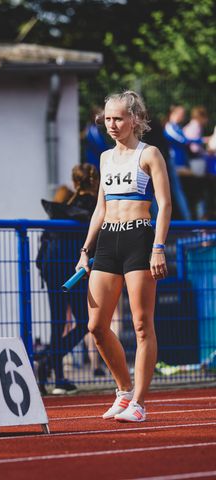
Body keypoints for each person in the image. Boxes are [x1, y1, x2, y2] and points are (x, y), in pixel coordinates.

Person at [77, 90, 171, 422]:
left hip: (139, 238)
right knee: (96, 326)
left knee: (143, 324)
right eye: (107, 119)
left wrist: (158, 246)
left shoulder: (150, 154)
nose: (112, 124)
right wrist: (85, 251)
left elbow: (164, 205)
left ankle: (140, 404)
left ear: (135, 119)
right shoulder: (104, 158)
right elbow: (100, 209)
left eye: (118, 118)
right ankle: (123, 391)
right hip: (108, 240)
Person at [37, 163, 99, 394]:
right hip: (74, 270)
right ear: (94, 182)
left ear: (75, 183)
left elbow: (45, 239)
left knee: (58, 323)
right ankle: (51, 362)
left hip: (52, 268)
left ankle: (56, 374)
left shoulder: (61, 208)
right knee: (84, 322)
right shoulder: (94, 208)